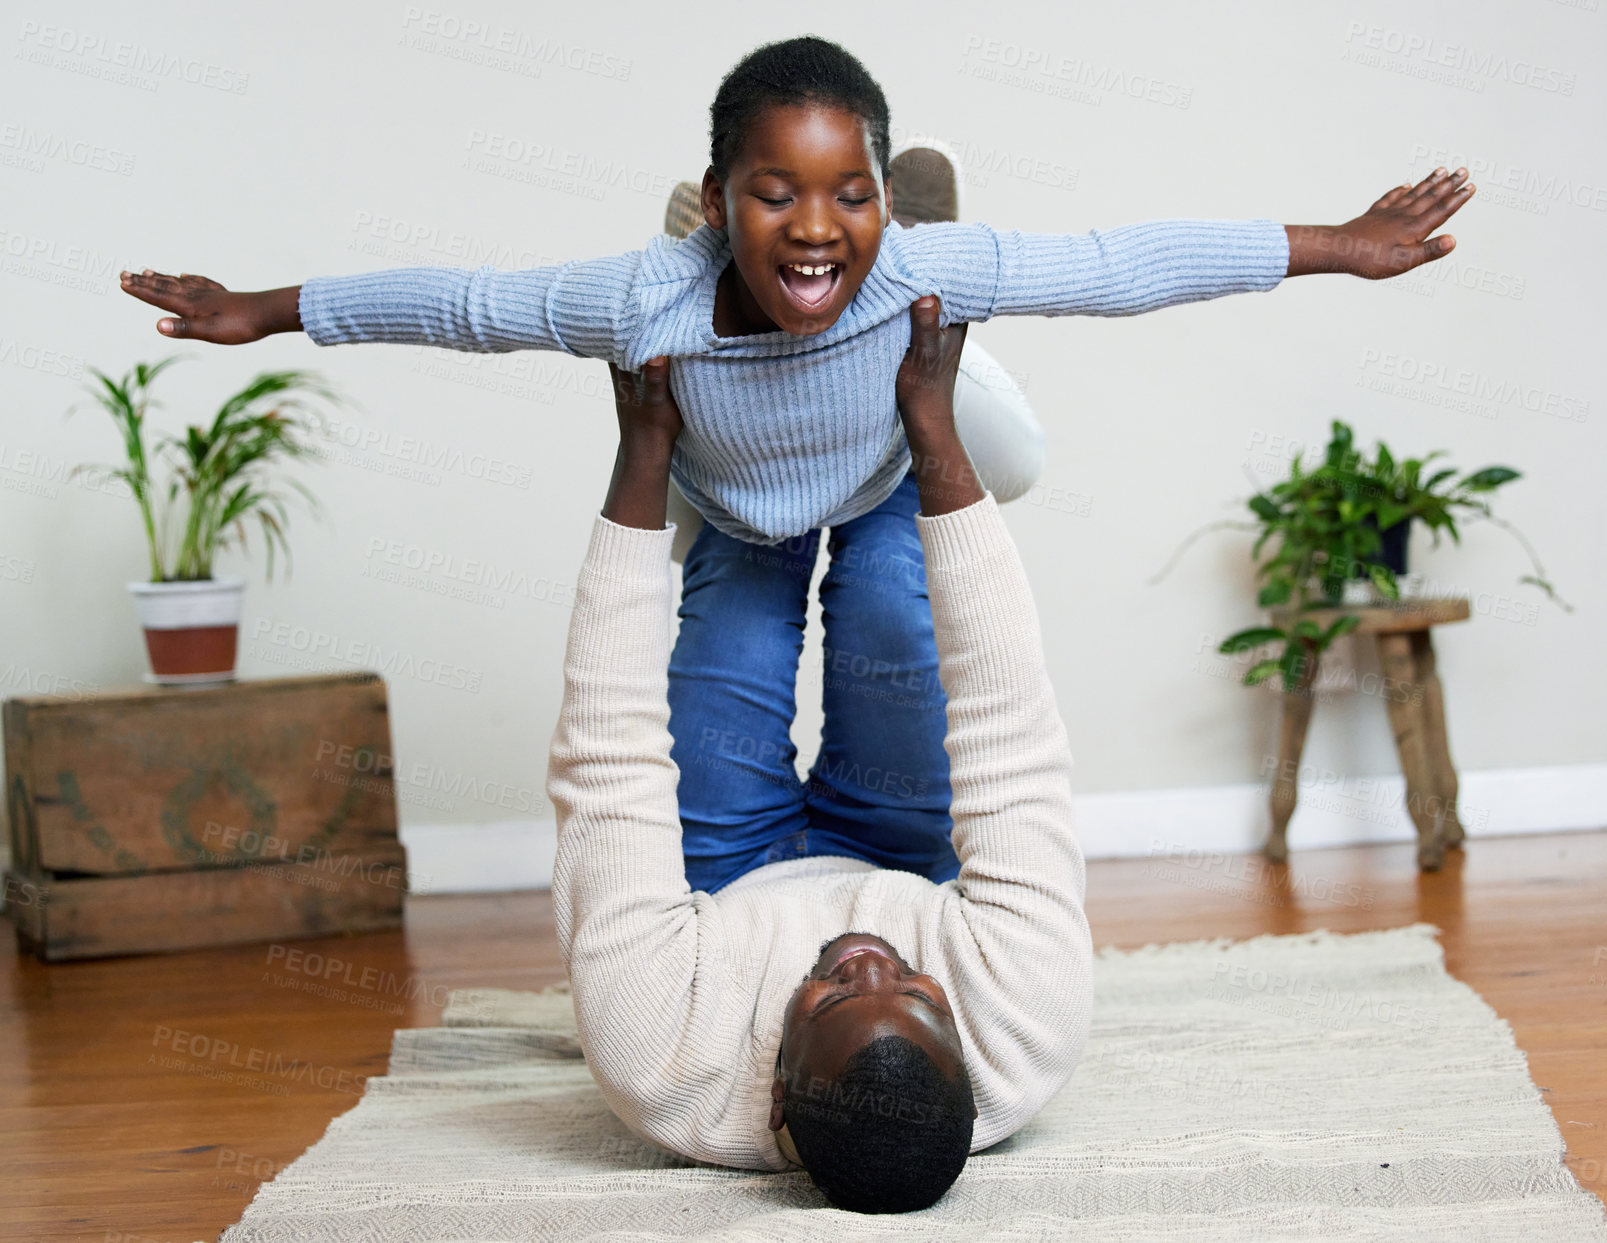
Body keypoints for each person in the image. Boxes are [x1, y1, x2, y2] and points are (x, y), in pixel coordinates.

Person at [117, 34, 1474, 551]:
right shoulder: (635, 298)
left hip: (896, 438)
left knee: (990, 445)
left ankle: (895, 258)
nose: (813, 219)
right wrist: (264, 306)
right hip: (741, 495)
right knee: (721, 703)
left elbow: (1120, 267)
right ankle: (819, 247)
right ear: (711, 200)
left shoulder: (922, 270)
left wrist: (1338, 243)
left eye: (845, 192)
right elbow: (462, 300)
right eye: (775, 194)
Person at [548, 296, 1087, 1214]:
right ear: (961, 1043)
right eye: (914, 992)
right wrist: (930, 418)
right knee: (887, 579)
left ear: (777, 1099)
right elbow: (1011, 727)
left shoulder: (659, 1055)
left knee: (748, 570)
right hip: (896, 851)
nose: (868, 958)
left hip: (717, 884)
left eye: (833, 994)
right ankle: (895, 279)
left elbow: (609, 762)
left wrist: (642, 449)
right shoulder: (1024, 1022)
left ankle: (739, 295)